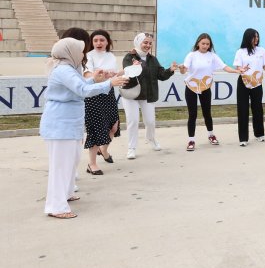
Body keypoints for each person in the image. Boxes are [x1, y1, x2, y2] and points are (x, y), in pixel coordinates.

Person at [41, 38, 126, 218]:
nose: (83, 54)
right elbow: (82, 90)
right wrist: (110, 83)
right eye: (80, 51)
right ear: (70, 52)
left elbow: (79, 87)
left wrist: (94, 79)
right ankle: (56, 207)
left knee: (70, 161)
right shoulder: (64, 70)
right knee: (61, 165)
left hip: (68, 123)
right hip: (60, 124)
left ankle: (66, 193)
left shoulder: (69, 68)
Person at [178, 33, 241, 151]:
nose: (205, 46)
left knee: (207, 113)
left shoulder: (212, 56)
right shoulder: (191, 55)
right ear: (198, 43)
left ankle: (211, 135)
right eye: (203, 43)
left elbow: (224, 67)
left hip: (206, 87)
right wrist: (181, 68)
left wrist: (237, 71)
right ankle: (191, 140)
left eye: (207, 44)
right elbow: (184, 70)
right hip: (191, 87)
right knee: (193, 114)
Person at [122, 32, 177, 159]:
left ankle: (151, 139)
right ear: (138, 42)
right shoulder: (129, 57)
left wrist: (170, 70)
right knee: (133, 121)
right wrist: (134, 67)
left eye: (150, 43)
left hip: (148, 94)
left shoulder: (153, 59)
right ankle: (131, 147)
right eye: (145, 42)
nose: (148, 45)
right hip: (131, 93)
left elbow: (161, 75)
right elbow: (128, 72)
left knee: (150, 121)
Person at [82, 30, 121, 175]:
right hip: (94, 94)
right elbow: (87, 75)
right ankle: (91, 164)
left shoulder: (111, 56)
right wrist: (101, 75)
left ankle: (103, 149)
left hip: (109, 93)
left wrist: (129, 70)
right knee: (96, 129)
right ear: (91, 42)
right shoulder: (88, 56)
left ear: (107, 42)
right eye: (96, 40)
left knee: (114, 126)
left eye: (102, 40)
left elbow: (115, 74)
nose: (99, 43)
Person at [232, 28, 265, 146]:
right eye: (254, 37)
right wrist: (241, 69)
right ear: (248, 38)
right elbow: (238, 67)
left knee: (257, 108)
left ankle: (259, 134)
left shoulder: (261, 50)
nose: (256, 39)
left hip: (257, 83)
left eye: (258, 37)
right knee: (243, 110)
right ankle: (243, 138)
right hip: (243, 82)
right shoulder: (240, 51)